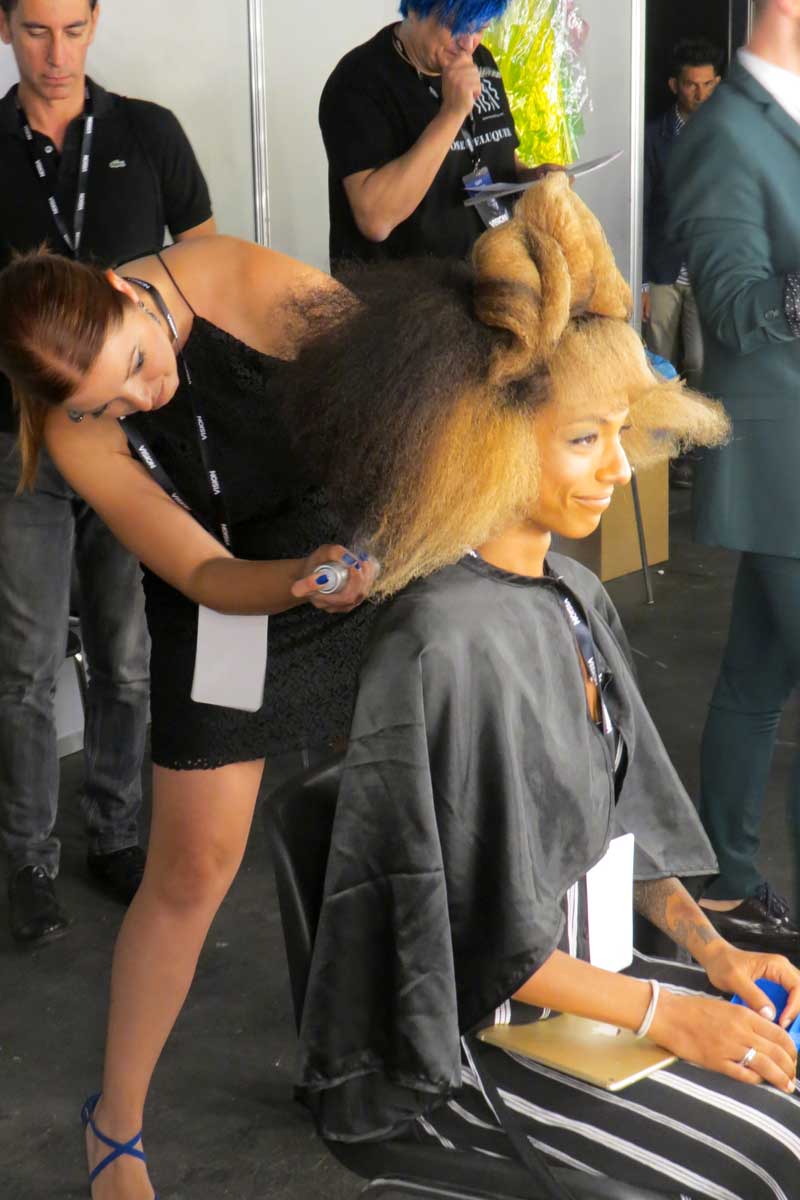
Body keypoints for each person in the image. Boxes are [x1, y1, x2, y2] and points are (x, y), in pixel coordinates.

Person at [286, 173, 800, 1198]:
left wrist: (711, 954)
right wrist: (667, 1015)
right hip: (472, 1042)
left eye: (619, 430)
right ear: (480, 440)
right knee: (770, 1154)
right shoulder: (443, 641)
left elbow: (626, 824)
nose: (618, 467)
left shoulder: (570, 591)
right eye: (581, 438)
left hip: (595, 985)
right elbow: (463, 943)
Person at [0, 234, 377, 1199]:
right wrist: (294, 583)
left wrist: (371, 548)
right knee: (193, 868)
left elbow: (399, 393)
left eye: (135, 361)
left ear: (124, 289)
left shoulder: (235, 280)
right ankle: (114, 1122)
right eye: (107, 404)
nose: (142, 397)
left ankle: (399, 1043)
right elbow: (204, 571)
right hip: (232, 598)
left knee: (409, 801)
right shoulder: (76, 431)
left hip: (360, 538)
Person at [0, 0, 216, 945]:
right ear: (5, 27)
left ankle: (117, 835)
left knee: (127, 656)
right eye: (35, 31)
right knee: (24, 663)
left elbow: (201, 270)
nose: (57, 54)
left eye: (73, 29)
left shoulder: (148, 133)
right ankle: (28, 860)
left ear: (95, 23)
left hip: (133, 445)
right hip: (22, 449)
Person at [666, 0, 800, 955]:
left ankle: (726, 886)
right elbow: (730, 305)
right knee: (757, 678)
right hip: (783, 463)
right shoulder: (722, 132)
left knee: (756, 676)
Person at [319, 0, 557, 270]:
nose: (469, 43)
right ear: (415, 9)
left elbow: (499, 158)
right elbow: (376, 219)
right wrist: (452, 113)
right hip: (402, 291)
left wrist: (534, 179)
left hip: (488, 277)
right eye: (457, 26)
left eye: (480, 28)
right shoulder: (358, 81)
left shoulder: (482, 62)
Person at [642, 36, 722, 487]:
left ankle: (692, 447)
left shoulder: (724, 133)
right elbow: (641, 207)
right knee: (659, 363)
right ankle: (664, 454)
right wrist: (640, 280)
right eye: (692, 85)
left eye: (709, 84)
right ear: (675, 85)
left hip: (708, 270)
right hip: (663, 268)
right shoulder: (653, 134)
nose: (701, 94)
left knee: (700, 361)